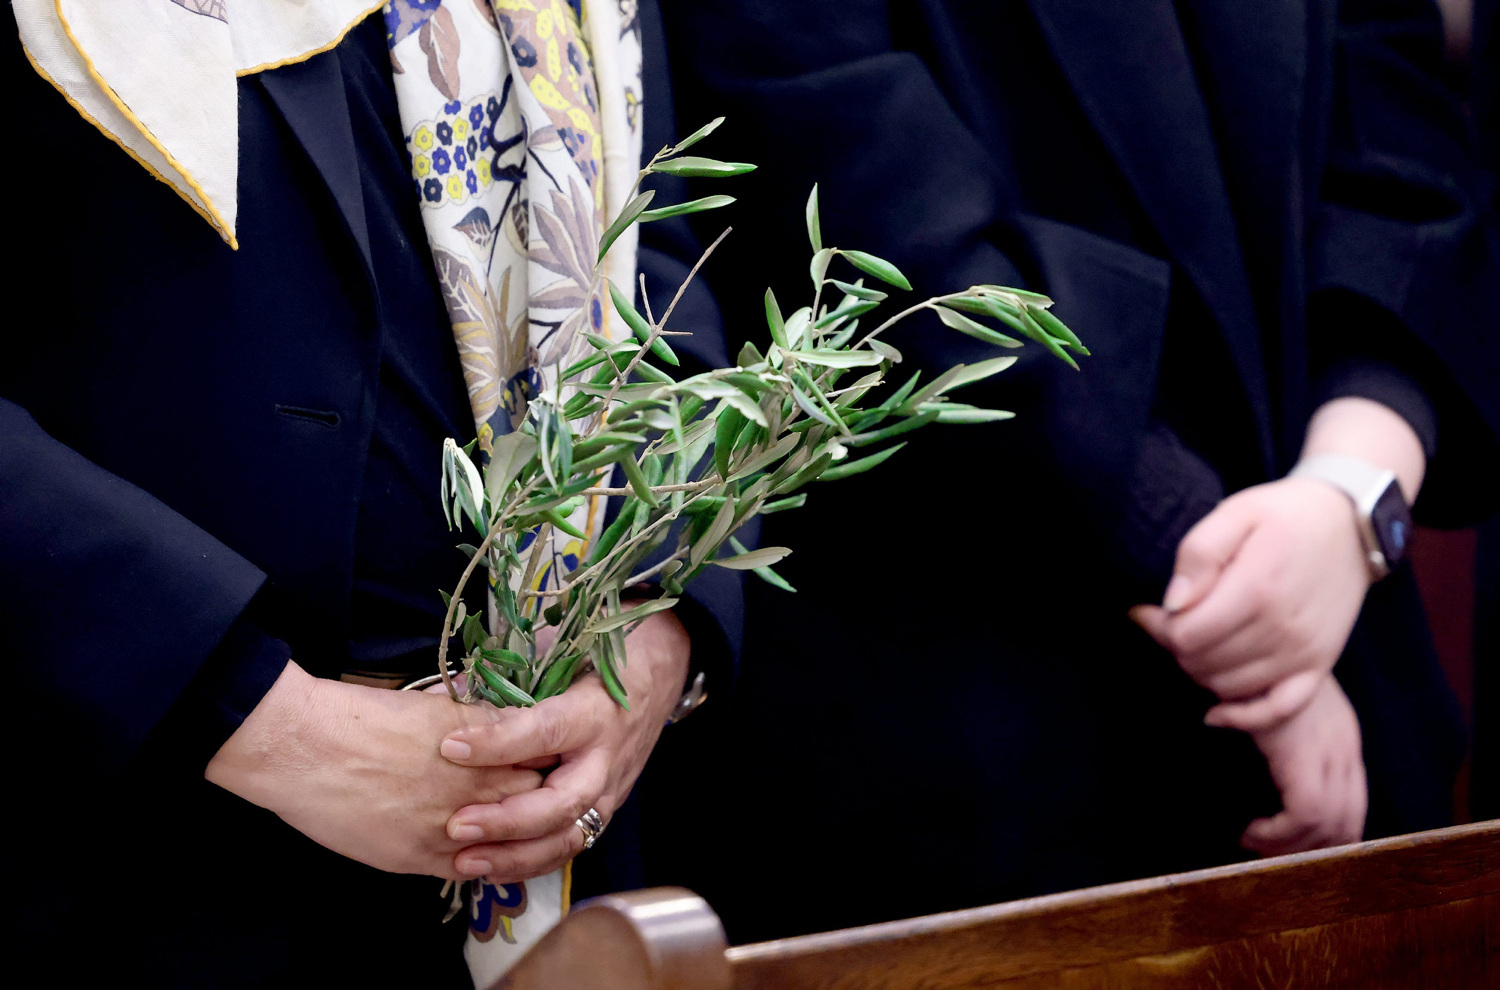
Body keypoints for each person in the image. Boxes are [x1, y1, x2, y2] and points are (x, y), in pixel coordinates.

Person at [595, 0, 1500, 942]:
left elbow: (1407, 161)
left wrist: (1352, 493)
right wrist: (1230, 584)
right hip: (977, 720)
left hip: (1347, 628)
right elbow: (879, 231)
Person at [0, 2, 738, 984]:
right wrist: (253, 716)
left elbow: (656, 264)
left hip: (549, 836)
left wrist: (653, 619)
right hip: (137, 837)